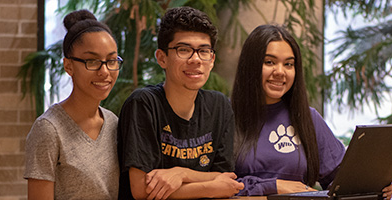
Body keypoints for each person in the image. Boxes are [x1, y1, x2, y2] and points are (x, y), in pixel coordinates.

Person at [231, 24, 392, 199]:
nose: (280, 72)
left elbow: (339, 179)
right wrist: (273, 186)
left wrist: (371, 184)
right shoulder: (226, 117)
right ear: (250, 65)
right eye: (269, 62)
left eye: (288, 64)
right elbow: (216, 184)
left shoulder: (308, 118)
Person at [117, 6, 244, 200]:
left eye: (203, 51)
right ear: (162, 58)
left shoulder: (219, 105)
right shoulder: (144, 104)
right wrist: (210, 187)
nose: (195, 59)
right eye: (183, 50)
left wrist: (180, 173)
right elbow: (141, 190)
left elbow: (224, 178)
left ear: (212, 60)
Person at [23, 9, 122, 199]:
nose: (104, 72)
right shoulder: (49, 129)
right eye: (92, 61)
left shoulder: (113, 123)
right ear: (68, 66)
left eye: (111, 61)